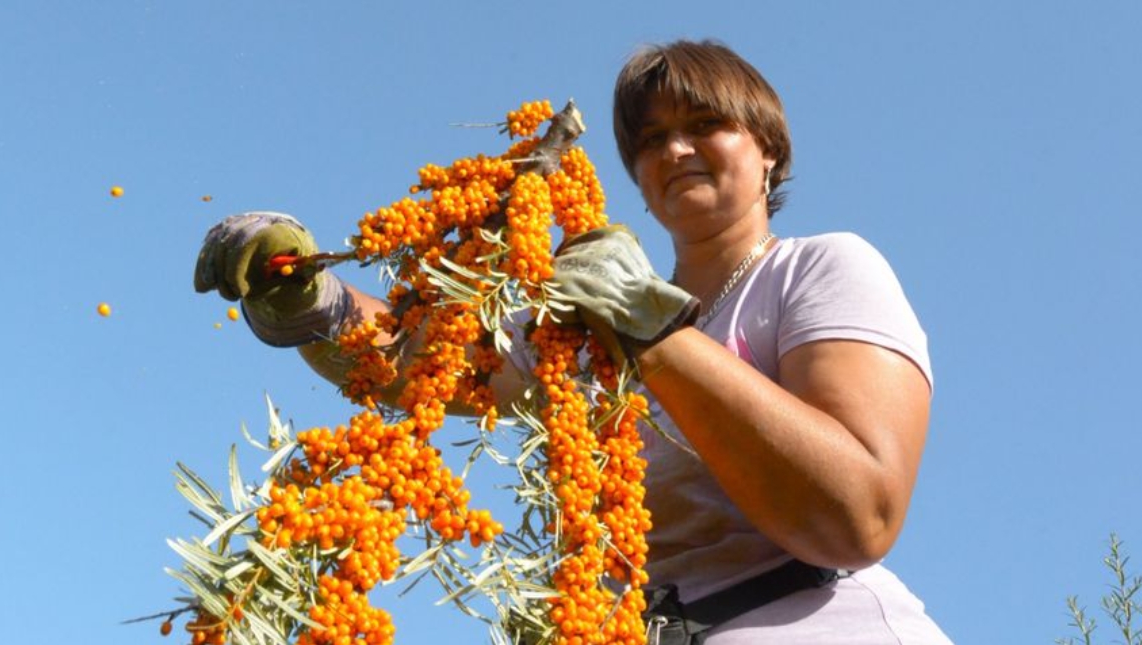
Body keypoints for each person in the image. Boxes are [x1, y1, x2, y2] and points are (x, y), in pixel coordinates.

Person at [196, 39, 951, 644]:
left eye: (702, 124)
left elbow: (858, 513)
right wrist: (309, 296)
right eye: (651, 139)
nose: (676, 149)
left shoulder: (817, 267)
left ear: (767, 150)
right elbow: (416, 362)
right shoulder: (579, 327)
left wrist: (653, 330)